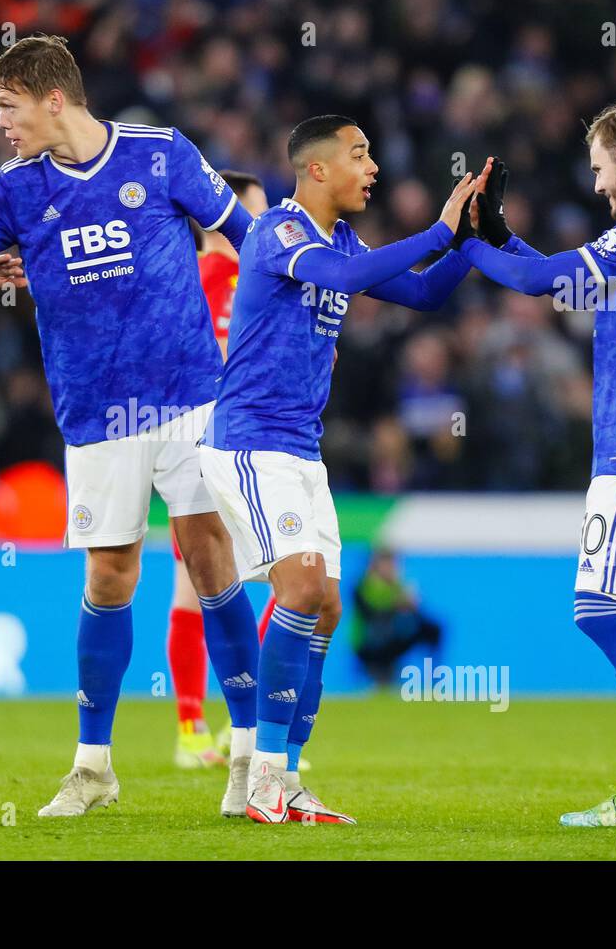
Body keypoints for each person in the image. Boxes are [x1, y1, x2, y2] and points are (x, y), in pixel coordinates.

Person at [0, 34, 264, 819]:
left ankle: (249, 755)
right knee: (109, 578)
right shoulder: (15, 189)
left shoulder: (162, 154)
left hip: (190, 399)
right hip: (96, 414)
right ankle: (93, 768)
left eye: (8, 108)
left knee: (212, 563)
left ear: (53, 98)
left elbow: (250, 240)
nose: (3, 124)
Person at [198, 114, 483, 823]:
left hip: (300, 450)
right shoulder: (280, 231)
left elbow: (421, 294)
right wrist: (440, 231)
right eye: (360, 154)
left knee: (325, 605)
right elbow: (349, 276)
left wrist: (473, 242)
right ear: (317, 168)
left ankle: (287, 779)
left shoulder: (346, 238)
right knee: (297, 587)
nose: (374, 167)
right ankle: (259, 775)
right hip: (249, 443)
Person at [458, 98, 616, 829]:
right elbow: (557, 275)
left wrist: (464, 245)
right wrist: (503, 234)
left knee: (595, 609)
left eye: (602, 166)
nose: (599, 182)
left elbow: (540, 286)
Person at [170, 170, 268, 770]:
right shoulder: (209, 281)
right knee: (203, 588)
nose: (259, 226)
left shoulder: (244, 278)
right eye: (250, 212)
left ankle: (231, 729)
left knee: (248, 585)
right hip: (211, 447)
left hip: (245, 444)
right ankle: (201, 728)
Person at [350, 547, 442, 686]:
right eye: (386, 563)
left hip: (391, 639)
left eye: (393, 563)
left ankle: (434, 678)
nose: (391, 567)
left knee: (432, 628)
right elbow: (370, 616)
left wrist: (412, 606)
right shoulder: (363, 586)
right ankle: (379, 672)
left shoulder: (399, 585)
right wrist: (396, 605)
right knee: (382, 630)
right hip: (368, 643)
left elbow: (418, 616)